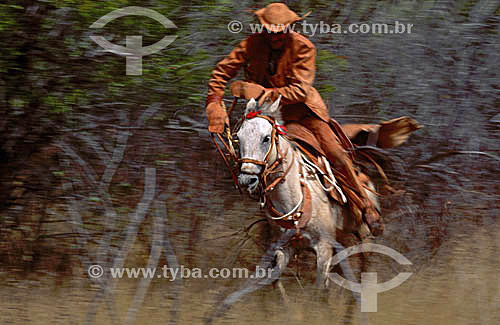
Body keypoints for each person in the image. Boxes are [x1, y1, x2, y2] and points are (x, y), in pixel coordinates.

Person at [205, 3, 382, 235]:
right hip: (265, 114)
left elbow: (300, 90)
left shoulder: (303, 47)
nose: (275, 36)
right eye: (270, 31)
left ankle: (364, 206)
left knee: (335, 153)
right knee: (238, 151)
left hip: (303, 113)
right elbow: (222, 71)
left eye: (280, 31)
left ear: (289, 28)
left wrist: (263, 93)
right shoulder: (251, 44)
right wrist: (214, 100)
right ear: (263, 28)